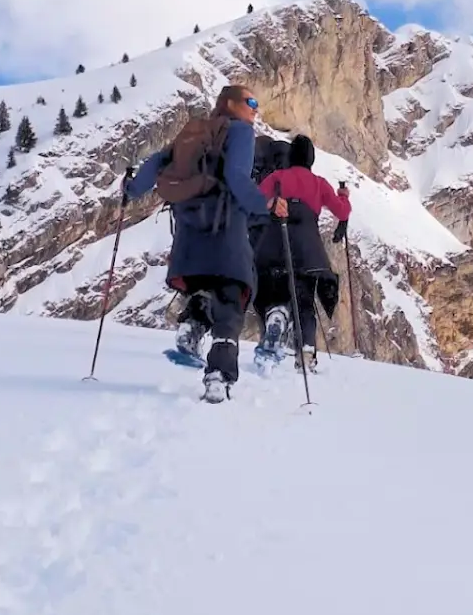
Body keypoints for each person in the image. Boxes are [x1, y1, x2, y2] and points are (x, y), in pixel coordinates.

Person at [124, 84, 287, 403]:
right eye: (250, 101)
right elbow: (238, 178)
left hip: (188, 233)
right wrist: (264, 205)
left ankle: (192, 328)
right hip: (225, 227)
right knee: (230, 298)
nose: (256, 108)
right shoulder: (240, 132)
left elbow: (155, 164)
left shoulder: (195, 133)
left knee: (203, 287)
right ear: (229, 103)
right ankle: (218, 374)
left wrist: (129, 190)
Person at [252, 134, 352, 371]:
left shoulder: (277, 177)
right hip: (308, 250)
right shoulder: (319, 183)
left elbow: (254, 201)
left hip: (275, 243)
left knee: (274, 293)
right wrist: (343, 197)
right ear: (311, 159)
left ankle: (276, 314)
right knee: (305, 302)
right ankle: (306, 352)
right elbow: (342, 212)